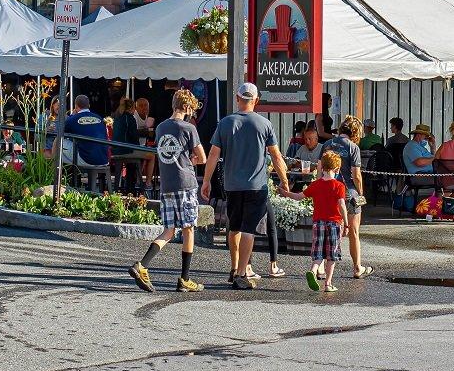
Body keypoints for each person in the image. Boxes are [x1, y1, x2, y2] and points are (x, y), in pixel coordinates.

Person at [202, 83, 290, 290]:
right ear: (256, 100)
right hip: (256, 185)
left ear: (237, 98)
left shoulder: (225, 123)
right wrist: (284, 181)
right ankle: (242, 273)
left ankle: (234, 268)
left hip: (232, 185)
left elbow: (213, 154)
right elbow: (276, 156)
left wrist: (206, 181)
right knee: (249, 229)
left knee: (234, 227)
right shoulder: (264, 124)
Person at [128, 89, 208, 293]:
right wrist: (192, 160)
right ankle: (185, 279)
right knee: (189, 228)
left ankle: (142, 265)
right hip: (185, 183)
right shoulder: (188, 128)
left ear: (173, 104)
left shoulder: (161, 127)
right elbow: (203, 157)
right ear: (188, 107)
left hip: (167, 185)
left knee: (169, 230)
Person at [290, 149, 349, 293]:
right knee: (332, 255)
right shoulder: (339, 186)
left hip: (318, 223)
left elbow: (300, 196)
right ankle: (328, 284)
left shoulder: (316, 185)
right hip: (334, 223)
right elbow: (341, 205)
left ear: (321, 167)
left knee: (318, 253)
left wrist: (285, 193)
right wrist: (346, 223)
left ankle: (313, 269)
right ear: (337, 168)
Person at [327, 116, 371, 279]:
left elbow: (319, 171)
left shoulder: (327, 145)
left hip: (330, 191)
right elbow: (356, 175)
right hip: (348, 192)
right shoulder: (353, 147)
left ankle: (323, 268)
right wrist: (361, 193)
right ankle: (357, 267)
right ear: (355, 132)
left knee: (331, 230)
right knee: (353, 231)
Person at [64, 95, 109, 167]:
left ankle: (54, 172)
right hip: (103, 159)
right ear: (89, 105)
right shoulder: (99, 118)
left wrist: (72, 116)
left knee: (58, 141)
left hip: (87, 160)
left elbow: (62, 133)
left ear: (76, 106)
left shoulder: (72, 119)